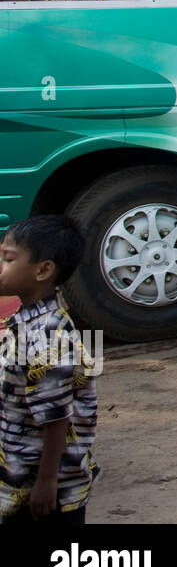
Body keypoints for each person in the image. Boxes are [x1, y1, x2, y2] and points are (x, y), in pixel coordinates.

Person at [0, 215, 97, 524]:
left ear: (43, 270)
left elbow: (55, 417)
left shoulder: (45, 335)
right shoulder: (30, 320)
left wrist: (47, 481)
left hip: (40, 487)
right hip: (25, 471)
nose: (0, 265)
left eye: (8, 259)